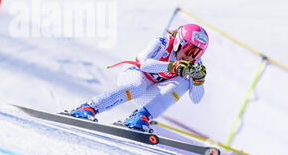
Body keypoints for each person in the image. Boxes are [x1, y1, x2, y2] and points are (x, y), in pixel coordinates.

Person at [69, 24, 209, 132]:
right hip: (133, 76)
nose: (190, 57)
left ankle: (140, 117)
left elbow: (196, 99)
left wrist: (198, 82)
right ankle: (89, 108)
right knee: (138, 86)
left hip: (151, 93)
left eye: (197, 53)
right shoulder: (162, 42)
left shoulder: (194, 63)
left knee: (184, 82)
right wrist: (172, 66)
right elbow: (144, 64)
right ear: (179, 42)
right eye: (190, 50)